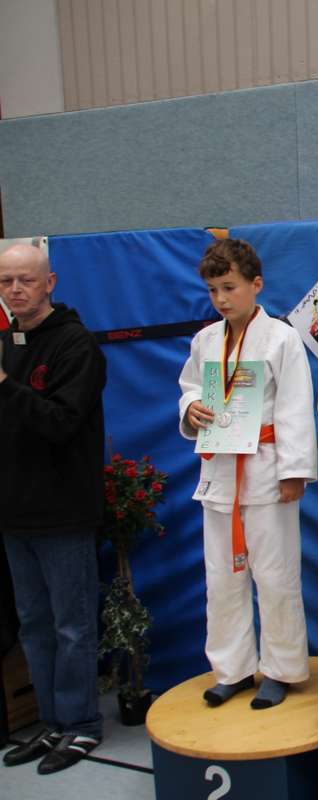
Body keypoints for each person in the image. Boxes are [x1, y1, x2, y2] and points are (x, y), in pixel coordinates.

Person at [178, 238, 317, 709]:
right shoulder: (205, 341)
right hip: (220, 469)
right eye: (213, 290)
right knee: (221, 578)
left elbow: (296, 406)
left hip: (266, 469)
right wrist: (191, 406)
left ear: (256, 284)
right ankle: (232, 669)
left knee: (275, 576)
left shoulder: (281, 338)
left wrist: (294, 470)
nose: (221, 298)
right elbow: (189, 386)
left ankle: (280, 669)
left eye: (230, 287)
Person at [0, 243, 106, 774]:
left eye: (26, 279)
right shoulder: (5, 343)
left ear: (50, 282)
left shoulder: (76, 345)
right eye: (6, 281)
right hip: (14, 514)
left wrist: (5, 387)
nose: (16, 290)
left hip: (63, 512)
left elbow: (60, 422)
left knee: (72, 626)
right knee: (33, 626)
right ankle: (51, 722)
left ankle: (81, 724)